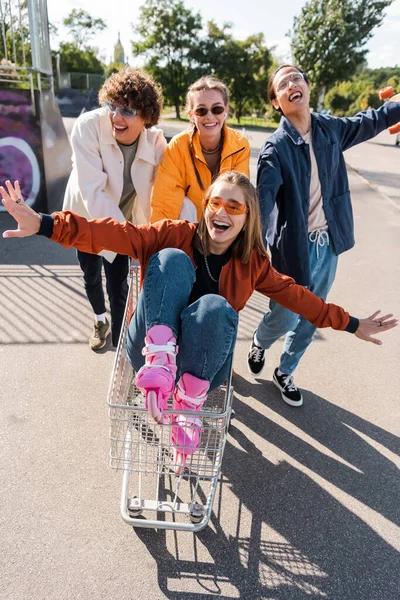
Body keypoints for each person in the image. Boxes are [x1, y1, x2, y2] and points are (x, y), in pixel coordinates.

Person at [1, 174, 397, 472]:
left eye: (234, 207)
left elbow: (298, 297)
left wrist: (352, 323)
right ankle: (160, 367)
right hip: (149, 349)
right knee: (170, 259)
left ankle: (187, 407)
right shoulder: (174, 233)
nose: (221, 212)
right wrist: (47, 223)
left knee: (215, 307)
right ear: (205, 205)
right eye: (215, 202)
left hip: (201, 364)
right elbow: (114, 233)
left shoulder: (252, 264)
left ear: (248, 218)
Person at [247, 64, 400, 407]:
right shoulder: (276, 148)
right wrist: (251, 239)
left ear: (307, 85)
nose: (292, 84)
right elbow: (263, 199)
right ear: (276, 102)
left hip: (328, 244)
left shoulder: (330, 128)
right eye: (283, 83)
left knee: (312, 316)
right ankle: (260, 340)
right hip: (293, 249)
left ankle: (285, 371)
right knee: (285, 315)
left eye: (296, 77)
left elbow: (370, 120)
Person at [63, 67, 167, 350]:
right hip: (85, 215)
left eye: (128, 111)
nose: (116, 117)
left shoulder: (156, 142)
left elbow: (166, 194)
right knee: (91, 275)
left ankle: (123, 347)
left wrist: (153, 237)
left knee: (119, 286)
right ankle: (100, 320)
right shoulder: (87, 127)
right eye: (112, 106)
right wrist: (130, 239)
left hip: (123, 222)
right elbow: (93, 192)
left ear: (146, 116)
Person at [150, 76, 250, 223]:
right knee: (184, 204)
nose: (210, 116)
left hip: (225, 224)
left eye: (217, 109)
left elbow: (239, 199)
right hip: (188, 227)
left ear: (226, 111)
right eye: (201, 111)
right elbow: (166, 203)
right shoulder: (178, 146)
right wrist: (160, 242)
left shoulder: (240, 145)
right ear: (191, 115)